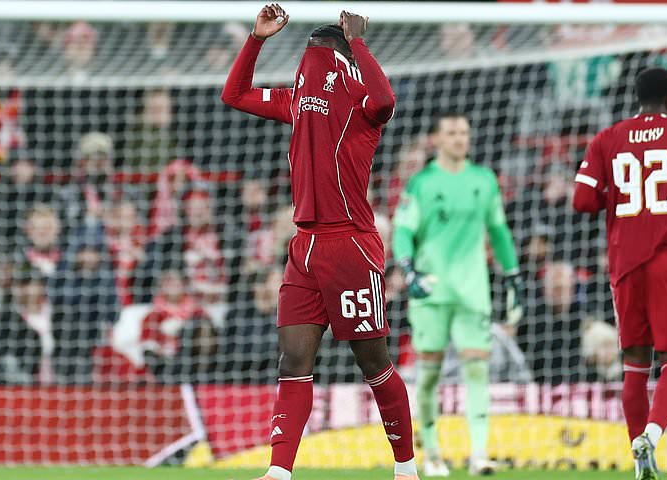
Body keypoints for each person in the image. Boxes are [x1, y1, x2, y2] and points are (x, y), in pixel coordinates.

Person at [221, 5, 417, 480]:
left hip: (351, 243)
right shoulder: (295, 101)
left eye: (320, 51)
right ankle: (279, 471)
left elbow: (387, 100)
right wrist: (257, 38)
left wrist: (359, 42)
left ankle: (407, 468)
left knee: (373, 364)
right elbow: (235, 93)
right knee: (293, 359)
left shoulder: (361, 102)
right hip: (303, 247)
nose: (310, 61)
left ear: (340, 62)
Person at [572, 67, 667, 480]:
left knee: (634, 365)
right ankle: (651, 436)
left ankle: (639, 465)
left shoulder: (607, 139)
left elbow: (582, 200)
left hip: (624, 265)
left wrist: (617, 198)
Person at [391, 112, 522, 477]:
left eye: (464, 132)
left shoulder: (484, 181)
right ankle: (432, 454)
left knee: (477, 369)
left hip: (473, 292)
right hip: (431, 292)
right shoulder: (420, 184)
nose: (460, 139)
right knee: (429, 375)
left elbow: (498, 231)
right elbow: (403, 231)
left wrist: (512, 274)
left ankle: (479, 452)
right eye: (451, 132)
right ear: (436, 139)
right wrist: (407, 265)